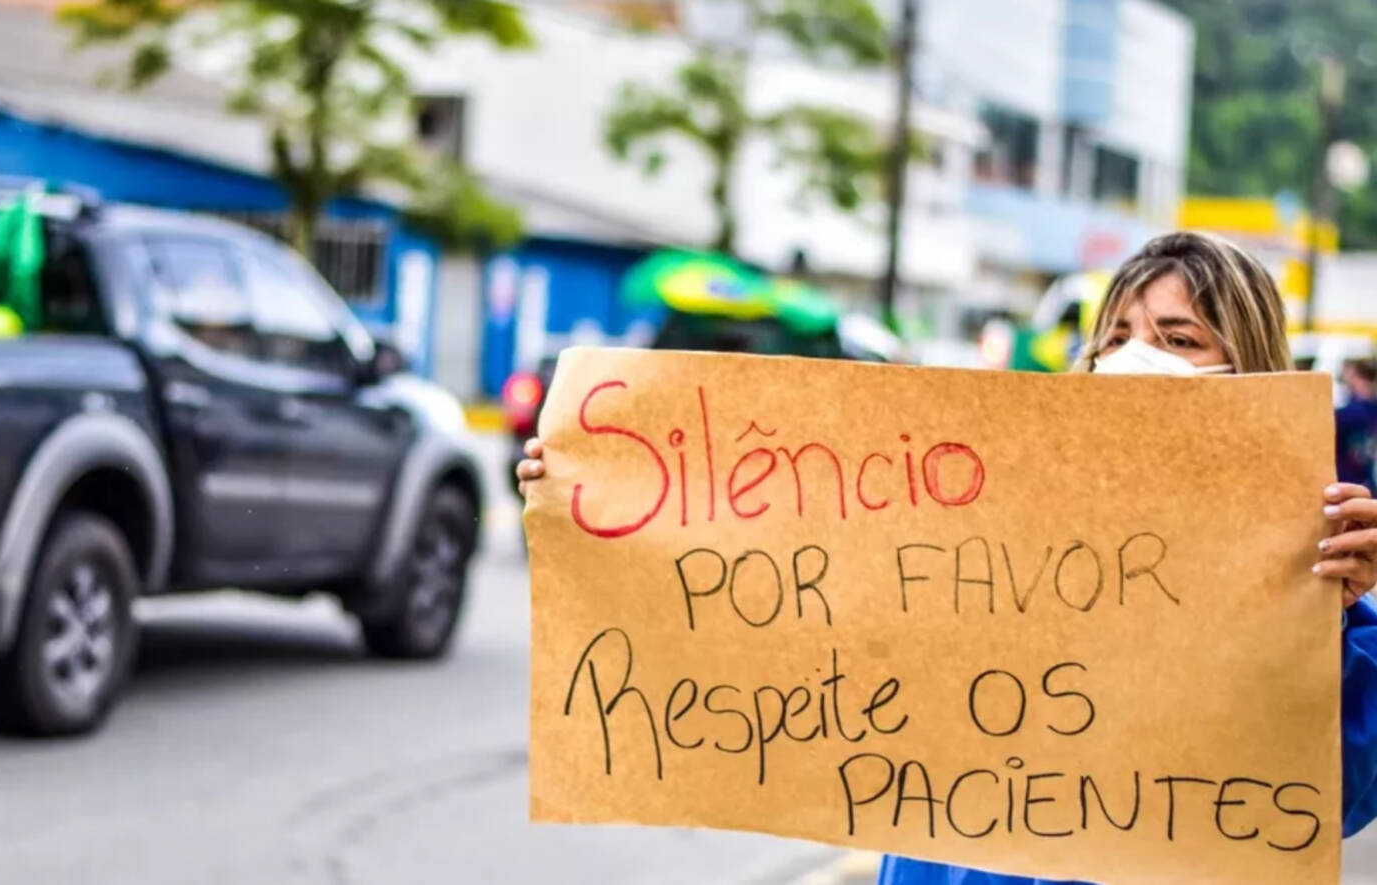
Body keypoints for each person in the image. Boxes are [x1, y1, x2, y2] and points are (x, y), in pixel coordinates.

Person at [516, 232, 1377, 884]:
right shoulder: (983, 515)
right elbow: (786, 595)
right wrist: (604, 499)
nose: (1133, 360)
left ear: (1252, 376)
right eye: (1116, 336)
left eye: (1179, 339)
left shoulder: (1313, 564)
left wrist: (1339, 616)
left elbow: (1331, 800)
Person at [1337, 358, 1377, 488]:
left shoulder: (1345, 414)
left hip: (1346, 481)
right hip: (1368, 481)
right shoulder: (1372, 408)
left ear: (1355, 376)